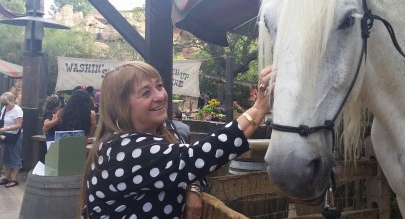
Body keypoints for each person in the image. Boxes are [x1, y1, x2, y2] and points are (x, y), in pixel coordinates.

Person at [78, 61, 272, 219]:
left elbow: (191, 167)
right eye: (146, 92)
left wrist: (192, 187)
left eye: (159, 86)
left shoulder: (161, 135)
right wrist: (259, 109)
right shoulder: (125, 151)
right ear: (121, 107)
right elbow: (199, 157)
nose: (160, 96)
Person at [0, 92, 23, 188]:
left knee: (14, 157)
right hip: (5, 136)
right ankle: (7, 177)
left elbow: (18, 125)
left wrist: (6, 128)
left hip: (15, 136)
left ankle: (14, 179)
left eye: (6, 103)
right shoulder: (4, 109)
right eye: (3, 104)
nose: (5, 105)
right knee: (6, 156)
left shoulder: (17, 110)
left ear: (12, 101)